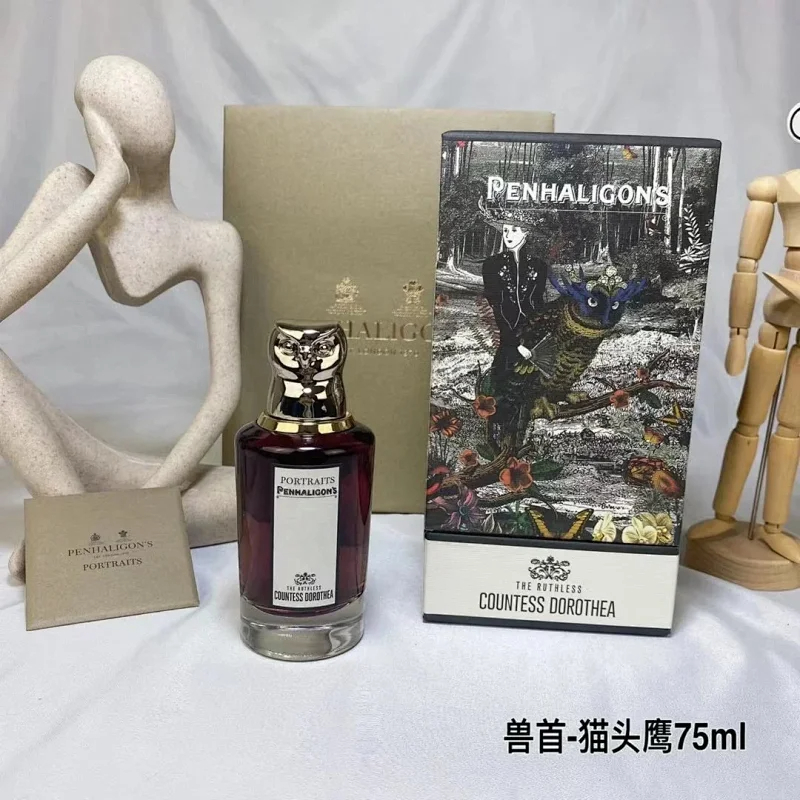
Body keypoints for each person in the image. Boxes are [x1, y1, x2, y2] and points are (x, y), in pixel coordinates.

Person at [478, 210, 548, 451]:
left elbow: (537, 304)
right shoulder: (492, 265)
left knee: (529, 390)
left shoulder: (539, 266)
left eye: (514, 230)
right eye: (506, 230)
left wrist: (534, 337)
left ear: (526, 233)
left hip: (532, 339)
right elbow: (497, 306)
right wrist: (515, 342)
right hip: (509, 340)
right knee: (503, 385)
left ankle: (520, 443)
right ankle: (499, 445)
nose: (508, 235)